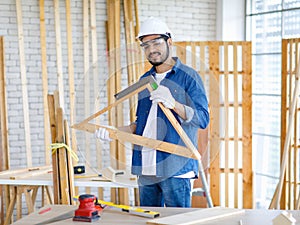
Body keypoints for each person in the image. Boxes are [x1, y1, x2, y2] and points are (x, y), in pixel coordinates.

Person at [95, 17, 209, 207]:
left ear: (169, 42)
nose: (151, 50)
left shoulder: (189, 77)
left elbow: (203, 119)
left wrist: (174, 104)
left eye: (156, 42)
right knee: (148, 220)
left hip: (175, 168)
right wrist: (112, 131)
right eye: (146, 45)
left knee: (177, 221)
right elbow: (139, 126)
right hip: (145, 167)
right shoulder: (145, 79)